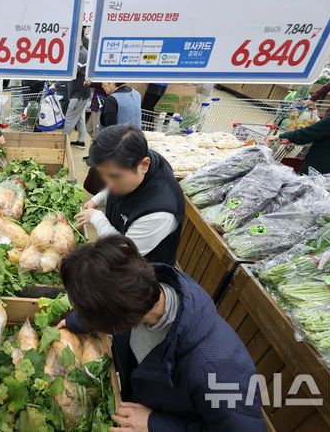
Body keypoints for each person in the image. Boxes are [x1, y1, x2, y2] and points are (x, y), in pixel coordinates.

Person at [58, 235, 266, 432]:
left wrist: (155, 424)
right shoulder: (139, 290)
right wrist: (76, 321)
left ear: (117, 321)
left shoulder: (218, 367)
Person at [75, 124, 185, 265]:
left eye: (115, 176)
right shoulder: (134, 158)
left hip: (143, 272)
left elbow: (122, 253)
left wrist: (97, 218)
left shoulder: (158, 213)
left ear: (144, 165)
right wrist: (98, 198)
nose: (108, 183)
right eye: (103, 174)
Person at [59, 39, 91, 149]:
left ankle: (62, 145)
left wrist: (56, 84)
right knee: (80, 118)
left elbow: (71, 73)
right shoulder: (82, 52)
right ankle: (81, 141)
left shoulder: (81, 54)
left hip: (78, 94)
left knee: (69, 119)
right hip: (82, 93)